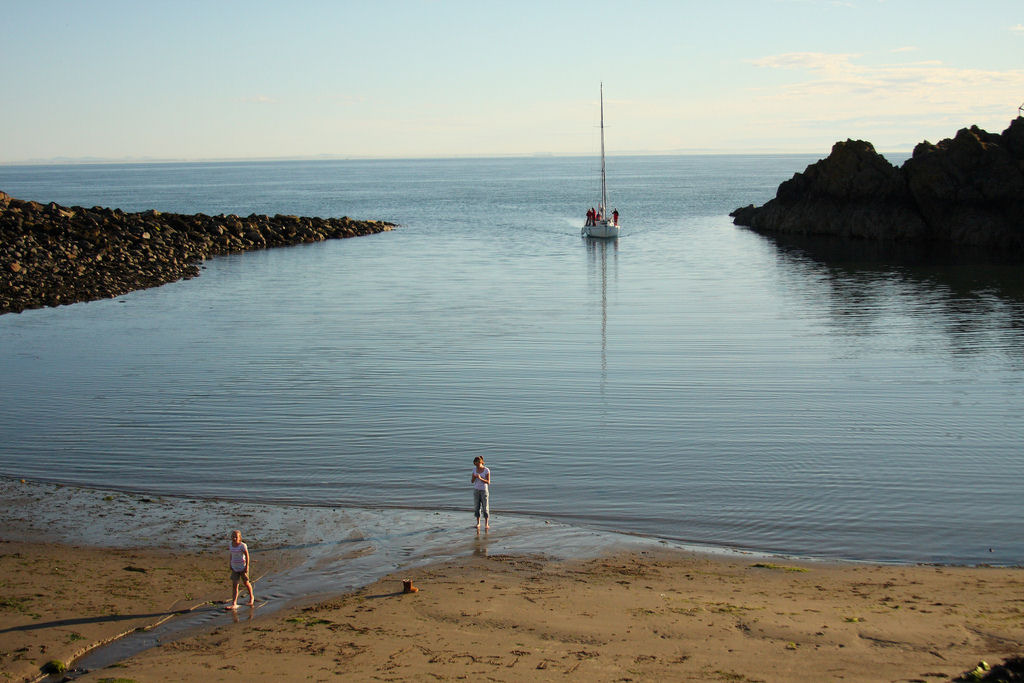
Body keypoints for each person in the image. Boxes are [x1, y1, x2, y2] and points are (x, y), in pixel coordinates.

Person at [226, 529, 255, 609]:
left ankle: (251, 598)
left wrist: (247, 567)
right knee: (235, 585)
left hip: (243, 567)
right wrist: (230, 563)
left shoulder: (242, 545)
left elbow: (247, 556)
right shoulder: (230, 544)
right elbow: (231, 554)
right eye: (233, 536)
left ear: (239, 537)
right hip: (234, 567)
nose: (234, 538)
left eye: (236, 537)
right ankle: (234, 603)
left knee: (246, 583)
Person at [471, 456, 491, 531]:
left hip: (484, 490)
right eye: (475, 464)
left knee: (485, 507)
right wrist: (474, 477)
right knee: (477, 507)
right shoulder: (474, 470)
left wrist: (480, 478)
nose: (477, 466)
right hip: (476, 490)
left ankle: (486, 523)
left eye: (478, 464)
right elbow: (472, 481)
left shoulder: (486, 470)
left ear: (481, 462)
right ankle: (478, 522)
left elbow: (488, 482)